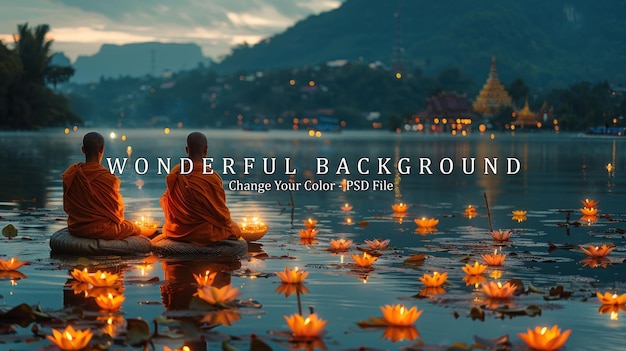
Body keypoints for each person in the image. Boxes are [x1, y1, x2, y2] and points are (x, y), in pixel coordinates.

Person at [62, 132, 154, 239]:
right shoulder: (109, 178)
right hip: (102, 229)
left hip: (77, 228)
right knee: (134, 227)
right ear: (101, 149)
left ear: (83, 149)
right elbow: (117, 216)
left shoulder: (71, 174)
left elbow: (68, 207)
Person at [160, 132, 241, 245]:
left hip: (176, 230)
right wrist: (229, 224)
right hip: (203, 233)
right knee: (236, 229)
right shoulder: (211, 177)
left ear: (187, 150)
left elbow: (166, 202)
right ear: (206, 150)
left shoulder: (177, 172)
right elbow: (222, 216)